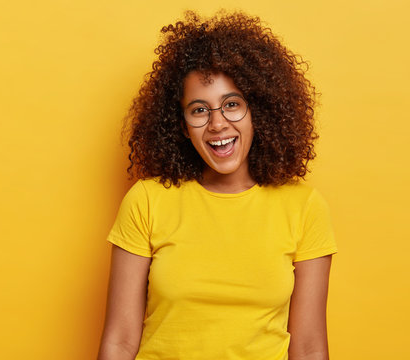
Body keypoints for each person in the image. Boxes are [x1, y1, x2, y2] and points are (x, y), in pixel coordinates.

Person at [97, 10, 338, 360]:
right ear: (181, 126)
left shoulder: (304, 207)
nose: (217, 124)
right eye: (199, 110)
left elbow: (309, 346)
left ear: (259, 111)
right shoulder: (147, 200)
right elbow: (119, 340)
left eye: (232, 105)